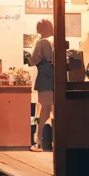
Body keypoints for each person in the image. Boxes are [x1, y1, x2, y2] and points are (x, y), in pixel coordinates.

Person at [27, 18, 54, 152]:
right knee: (52, 109)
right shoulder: (55, 41)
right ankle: (53, 140)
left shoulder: (42, 43)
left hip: (45, 78)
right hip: (54, 79)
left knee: (44, 109)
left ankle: (39, 141)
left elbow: (35, 59)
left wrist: (27, 59)